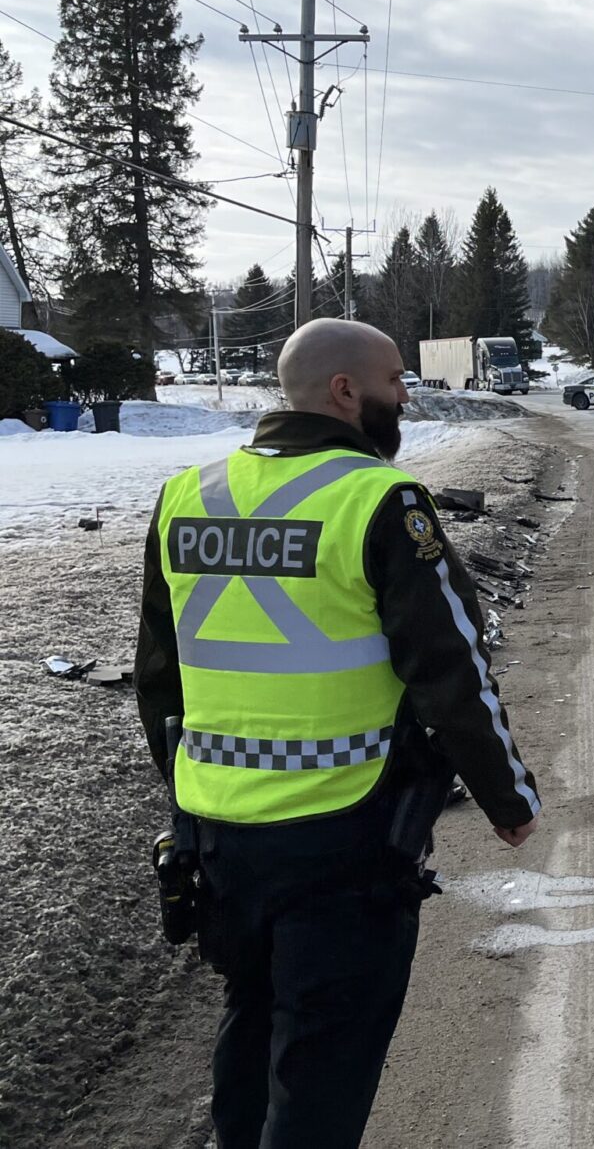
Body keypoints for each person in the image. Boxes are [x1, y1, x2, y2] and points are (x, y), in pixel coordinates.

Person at [135, 318, 543, 1149]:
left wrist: (187, 792)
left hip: (218, 837)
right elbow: (449, 669)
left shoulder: (188, 495)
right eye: (395, 381)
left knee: (250, 1030)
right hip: (343, 837)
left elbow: (157, 676)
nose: (405, 395)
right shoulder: (378, 499)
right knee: (323, 1063)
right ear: (345, 392)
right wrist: (507, 797)